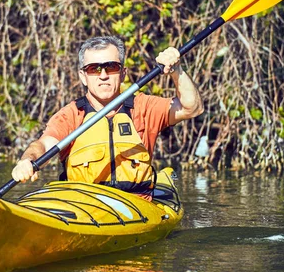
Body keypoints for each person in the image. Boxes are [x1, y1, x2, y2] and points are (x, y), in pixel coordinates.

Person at [12, 36, 203, 198]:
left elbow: (191, 108)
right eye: (93, 69)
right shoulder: (71, 115)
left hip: (137, 204)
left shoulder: (143, 107)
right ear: (83, 76)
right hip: (84, 206)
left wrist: (177, 70)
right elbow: (44, 146)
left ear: (122, 73)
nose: (103, 75)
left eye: (111, 67)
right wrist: (28, 160)